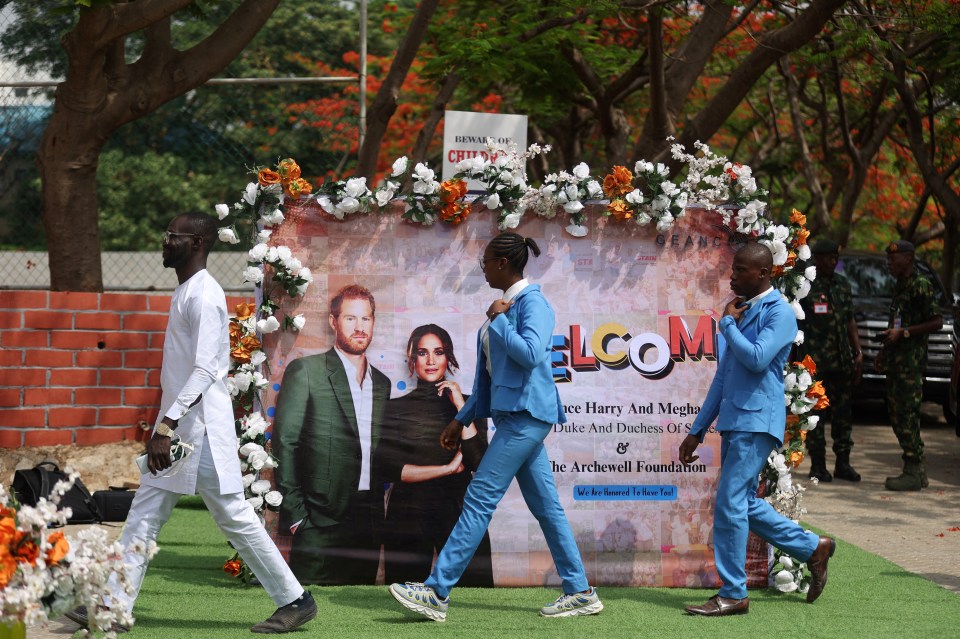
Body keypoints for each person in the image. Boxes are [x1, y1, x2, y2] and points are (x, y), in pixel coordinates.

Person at [67, 212, 316, 634]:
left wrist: (165, 426)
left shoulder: (203, 295)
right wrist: (167, 423)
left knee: (233, 515)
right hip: (184, 429)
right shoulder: (187, 290)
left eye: (172, 237)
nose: (165, 242)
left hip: (200, 431)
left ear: (197, 242)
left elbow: (205, 370)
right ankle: (111, 604)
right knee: (146, 512)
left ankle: (295, 599)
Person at [388, 232, 603, 621]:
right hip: (512, 418)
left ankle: (437, 591)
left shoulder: (531, 304)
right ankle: (580, 591)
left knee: (479, 498)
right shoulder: (496, 317)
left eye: (485, 261)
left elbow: (532, 354)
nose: (482, 267)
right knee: (548, 508)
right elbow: (486, 383)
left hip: (526, 420)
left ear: (502, 264)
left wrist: (500, 319)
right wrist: (461, 419)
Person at [679, 242, 835, 617]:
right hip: (736, 420)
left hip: (757, 421)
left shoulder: (779, 313)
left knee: (730, 503)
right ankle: (813, 548)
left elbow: (756, 359)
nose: (732, 276)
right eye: (734, 269)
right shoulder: (740, 310)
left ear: (764, 274)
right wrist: (697, 430)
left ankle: (734, 593)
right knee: (742, 504)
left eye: (741, 270)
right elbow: (724, 377)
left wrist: (728, 324)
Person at [272, 284, 391, 584]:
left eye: (366, 319)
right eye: (350, 318)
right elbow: (285, 443)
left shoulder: (383, 384)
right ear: (333, 321)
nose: (359, 327)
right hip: (318, 523)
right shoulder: (306, 372)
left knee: (357, 619)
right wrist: (298, 518)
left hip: (368, 524)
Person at [377, 324, 493, 585]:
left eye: (438, 352)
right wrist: (447, 469)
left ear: (448, 356)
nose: (430, 360)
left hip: (460, 511)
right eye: (422, 352)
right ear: (412, 357)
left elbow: (478, 462)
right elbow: (390, 469)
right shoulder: (393, 409)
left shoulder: (469, 404)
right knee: (402, 601)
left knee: (473, 598)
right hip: (407, 514)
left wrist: (460, 407)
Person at [876, 240, 943, 491]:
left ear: (908, 258)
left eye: (894, 259)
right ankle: (917, 470)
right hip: (896, 361)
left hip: (911, 364)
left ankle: (913, 469)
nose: (889, 263)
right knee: (897, 415)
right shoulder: (901, 285)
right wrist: (884, 350)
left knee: (907, 416)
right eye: (888, 259)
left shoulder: (921, 285)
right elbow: (896, 322)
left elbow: (936, 322)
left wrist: (904, 334)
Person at [798, 239, 864, 482]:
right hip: (816, 365)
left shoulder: (842, 285)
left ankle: (843, 464)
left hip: (842, 362)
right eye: (827, 258)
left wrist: (858, 352)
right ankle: (818, 465)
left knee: (843, 416)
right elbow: (797, 323)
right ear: (817, 258)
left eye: (835, 258)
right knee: (816, 416)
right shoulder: (805, 285)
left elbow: (850, 320)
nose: (832, 262)